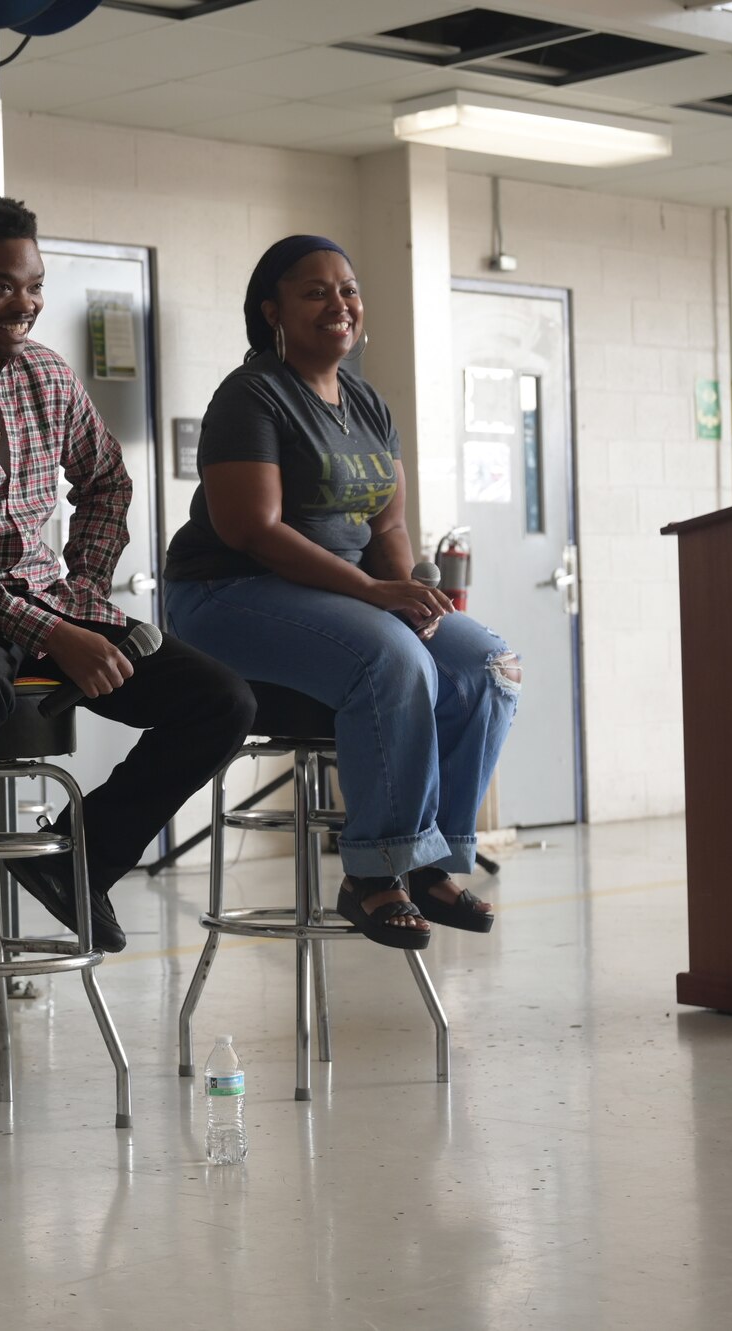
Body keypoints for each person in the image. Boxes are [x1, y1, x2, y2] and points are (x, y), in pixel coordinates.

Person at [0, 194, 256, 991]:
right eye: (2, 286)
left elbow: (105, 479)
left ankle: (78, 860)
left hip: (42, 604)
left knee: (223, 702)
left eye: (34, 285)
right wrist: (56, 632)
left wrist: (86, 591)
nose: (25, 303)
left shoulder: (45, 375)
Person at [163, 234, 519, 947]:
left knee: (485, 663)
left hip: (341, 598)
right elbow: (253, 530)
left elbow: (389, 520)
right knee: (391, 657)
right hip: (227, 594)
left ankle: (435, 860)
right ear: (273, 311)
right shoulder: (252, 395)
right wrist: (374, 595)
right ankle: (374, 872)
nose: (339, 303)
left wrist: (412, 593)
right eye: (315, 291)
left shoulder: (366, 403)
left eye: (349, 290)